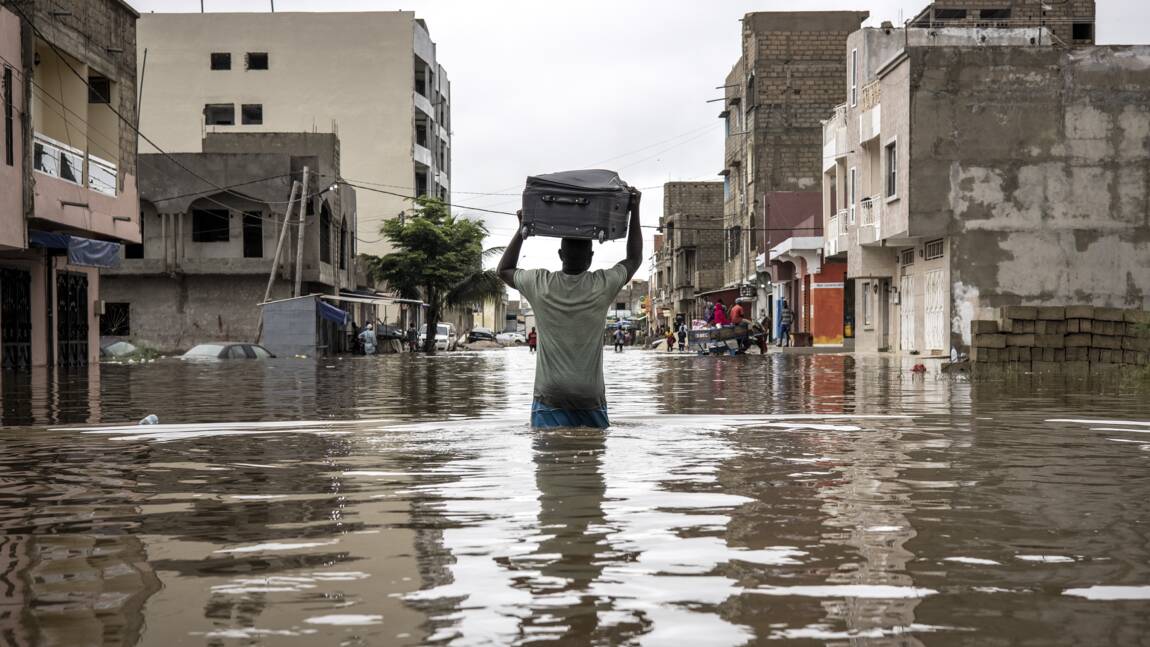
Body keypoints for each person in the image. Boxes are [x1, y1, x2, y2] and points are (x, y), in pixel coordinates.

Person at [498, 189, 643, 429]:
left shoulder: (540, 284)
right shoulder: (602, 285)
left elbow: (504, 270)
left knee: (549, 461)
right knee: (591, 460)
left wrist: (522, 229)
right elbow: (634, 258)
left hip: (550, 394)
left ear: (560, 255)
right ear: (591, 257)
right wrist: (635, 209)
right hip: (590, 396)